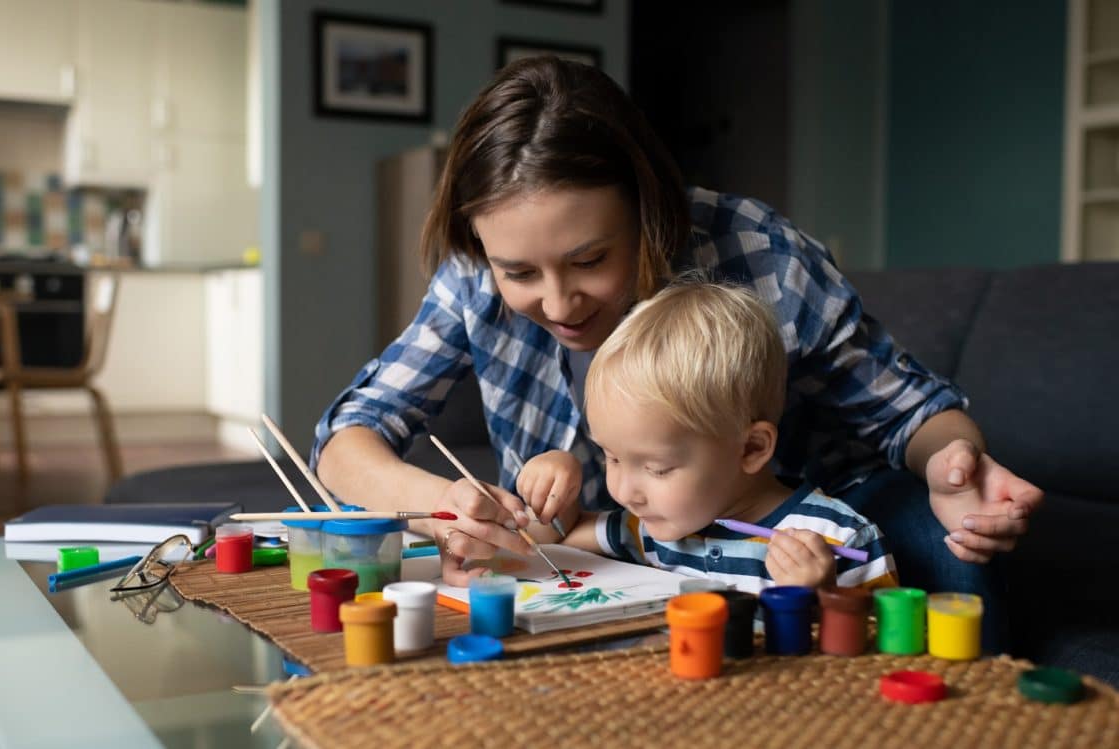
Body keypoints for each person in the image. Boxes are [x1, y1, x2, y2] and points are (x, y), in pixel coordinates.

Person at [311, 57, 1041, 648]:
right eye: (520, 273)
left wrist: (954, 466)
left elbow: (911, 412)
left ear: (649, 206)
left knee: (948, 549)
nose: (559, 305)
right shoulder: (473, 272)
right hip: (612, 539)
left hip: (795, 528)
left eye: (590, 259)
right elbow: (348, 437)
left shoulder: (758, 251)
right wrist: (442, 504)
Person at [541, 279, 899, 591]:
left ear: (752, 448)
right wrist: (555, 483)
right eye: (612, 458)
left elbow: (892, 641)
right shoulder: (648, 529)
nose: (622, 492)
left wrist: (819, 598)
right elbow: (551, 541)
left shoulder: (841, 538)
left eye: (657, 468)